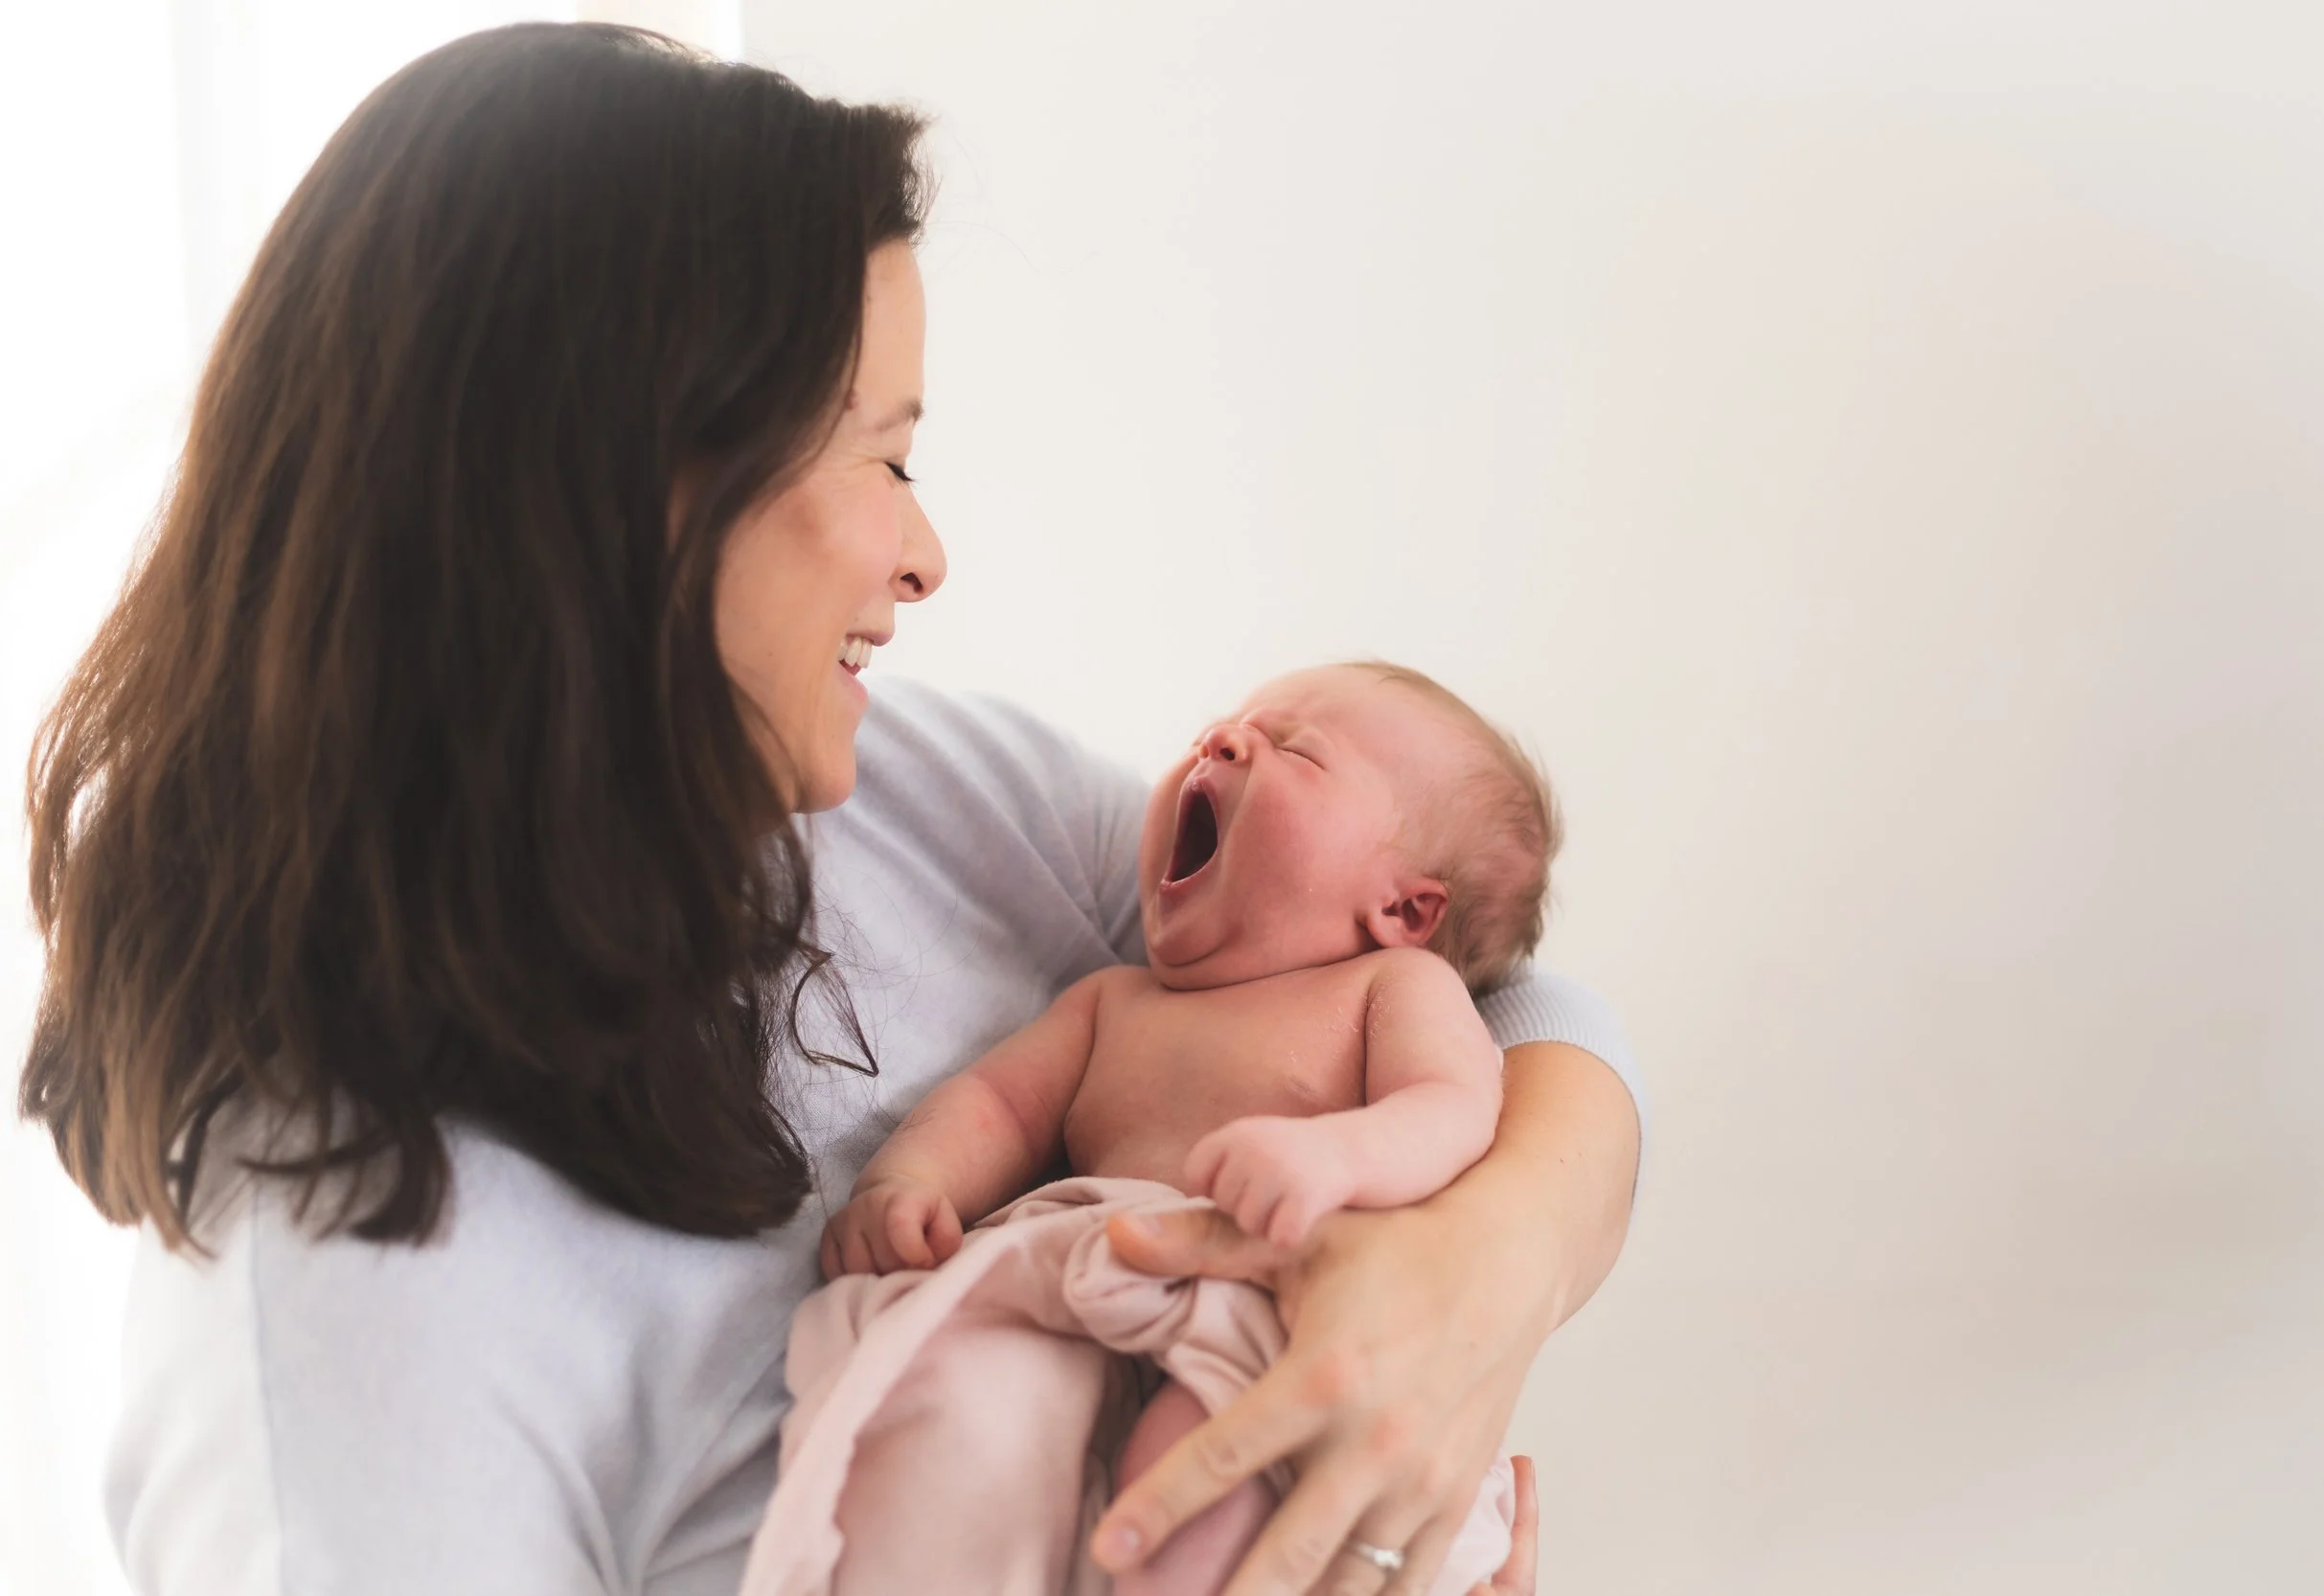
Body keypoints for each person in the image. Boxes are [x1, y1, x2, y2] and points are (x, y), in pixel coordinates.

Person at [16, 23, 1644, 1596]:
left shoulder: (905, 798)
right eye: (882, 459)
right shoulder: (349, 1364)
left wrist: (1482, 1272)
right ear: (627, 490)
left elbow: (1498, 1001)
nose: (924, 558)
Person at [752, 662, 1561, 1596]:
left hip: (1279, 1304)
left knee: (1209, 1476)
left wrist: (1337, 1154)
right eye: (1224, 726)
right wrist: (910, 1183)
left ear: (1405, 910)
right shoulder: (1112, 1004)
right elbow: (999, 1105)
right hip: (1082, 1289)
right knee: (951, 1410)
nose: (1221, 741)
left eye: (1296, 748)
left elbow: (1455, 1109)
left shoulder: (1392, 990)